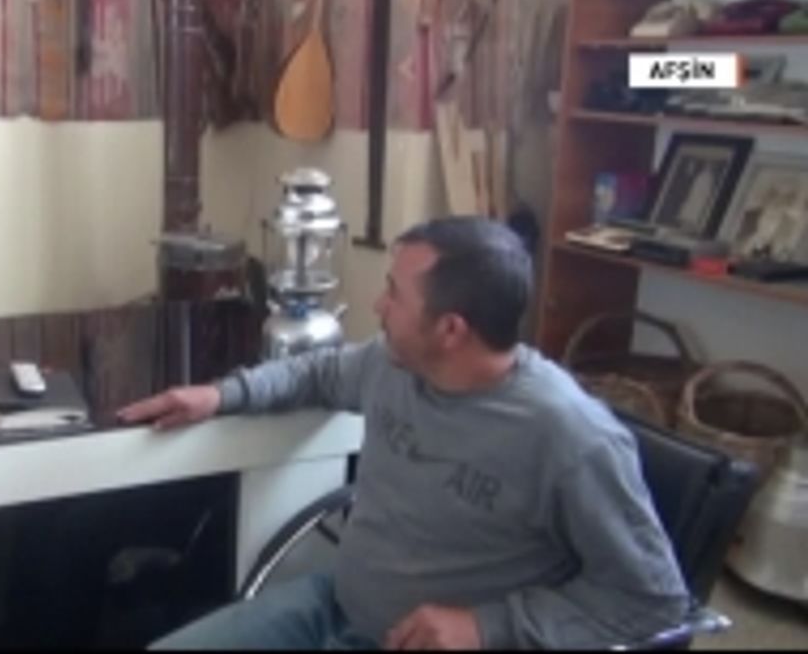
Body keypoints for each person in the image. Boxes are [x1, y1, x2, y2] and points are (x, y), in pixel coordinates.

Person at [118, 216, 690, 650]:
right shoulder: (395, 363)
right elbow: (318, 373)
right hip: (332, 608)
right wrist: (220, 395)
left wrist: (485, 627)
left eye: (393, 292)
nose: (378, 304)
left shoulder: (570, 439)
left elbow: (653, 601)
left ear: (450, 330)